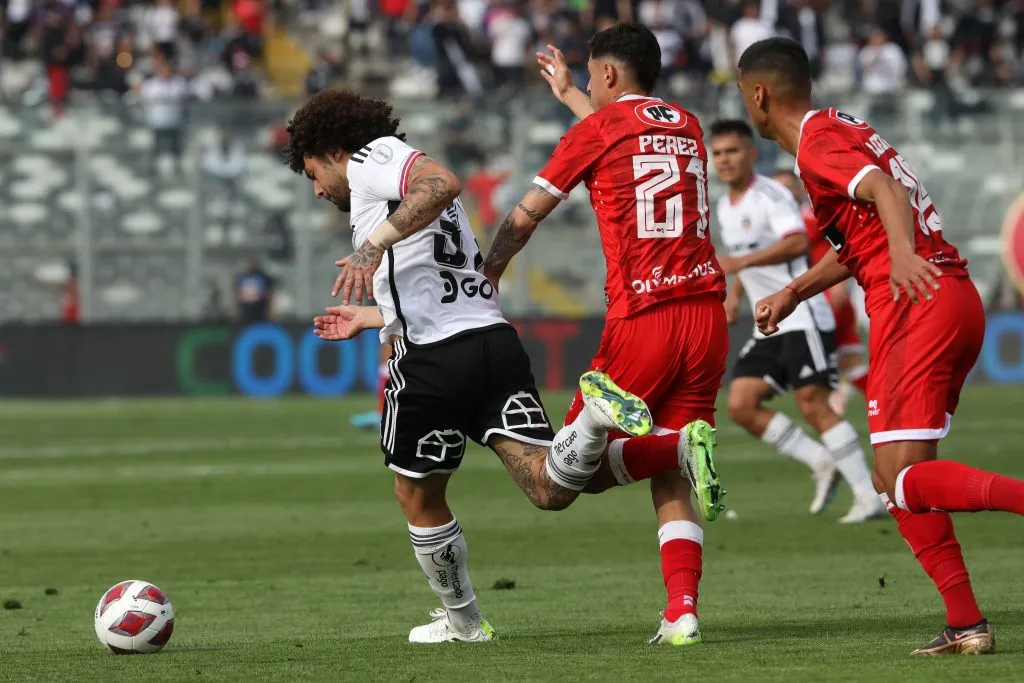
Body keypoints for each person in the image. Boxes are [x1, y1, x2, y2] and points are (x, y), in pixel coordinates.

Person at [287, 89, 668, 644]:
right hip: (491, 343)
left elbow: (442, 184)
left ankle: (465, 624)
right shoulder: (390, 180)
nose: (318, 188)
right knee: (548, 488)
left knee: (417, 495)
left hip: (433, 361)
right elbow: (432, 280)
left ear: (332, 150)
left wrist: (370, 250)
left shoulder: (374, 159)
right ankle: (596, 424)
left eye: (313, 172)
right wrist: (372, 318)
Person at [737, 36, 1024, 655]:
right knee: (898, 479)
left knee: (901, 480)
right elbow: (856, 243)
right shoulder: (843, 127)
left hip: (914, 298)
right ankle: (967, 625)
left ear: (758, 95)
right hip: (945, 295)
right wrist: (796, 291)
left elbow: (885, 196)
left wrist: (899, 255)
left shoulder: (816, 144)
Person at [483, 24, 727, 646]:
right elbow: (626, 128)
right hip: (705, 314)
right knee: (673, 471)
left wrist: (489, 272)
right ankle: (682, 612)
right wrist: (570, 93)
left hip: (644, 317)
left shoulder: (594, 130)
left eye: (590, 75)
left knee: (572, 475)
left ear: (610, 76)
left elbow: (525, 215)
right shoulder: (690, 123)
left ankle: (668, 446)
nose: (587, 84)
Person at [709, 119, 883, 524]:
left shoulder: (770, 195)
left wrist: (738, 264)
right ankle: (822, 460)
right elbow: (743, 256)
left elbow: (797, 242)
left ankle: (868, 496)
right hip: (767, 321)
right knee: (740, 404)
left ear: (751, 154)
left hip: (802, 313)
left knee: (814, 404)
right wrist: (735, 295)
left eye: (732, 151)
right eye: (718, 153)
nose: (725, 160)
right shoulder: (724, 206)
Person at [773, 169, 869, 416]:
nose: (783, 193)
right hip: (809, 294)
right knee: (853, 364)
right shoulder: (778, 220)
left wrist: (839, 285)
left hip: (823, 294)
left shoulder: (812, 214)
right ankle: (888, 404)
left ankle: (834, 390)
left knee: (826, 362)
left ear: (797, 188)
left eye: (787, 186)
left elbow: (840, 242)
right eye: (777, 188)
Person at [234, 256, 274, 323]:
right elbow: (237, 294)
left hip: (260, 309)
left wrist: (269, 312)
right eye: (251, 263)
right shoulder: (242, 277)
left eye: (254, 263)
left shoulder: (263, 277)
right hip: (246, 309)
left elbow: (269, 294)